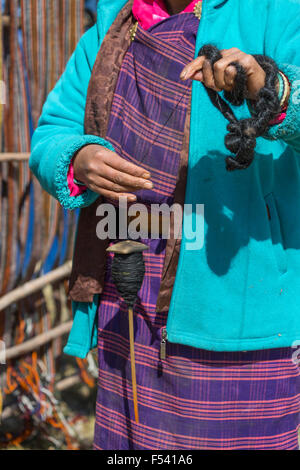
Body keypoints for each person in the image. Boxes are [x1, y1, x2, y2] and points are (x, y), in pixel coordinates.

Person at [30, 0, 300, 450]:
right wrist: (77, 158)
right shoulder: (118, 22)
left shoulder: (275, 10)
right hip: (129, 282)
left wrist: (267, 87)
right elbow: (53, 129)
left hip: (236, 299)